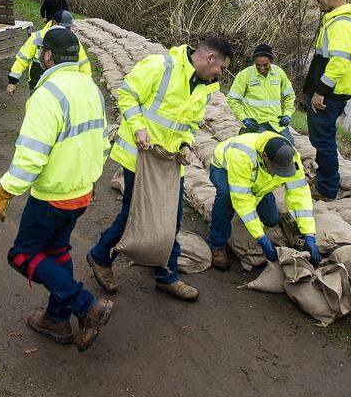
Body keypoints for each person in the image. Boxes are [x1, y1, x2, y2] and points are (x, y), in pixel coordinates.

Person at [0, 28, 113, 352]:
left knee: (22, 254)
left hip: (53, 197)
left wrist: (5, 192)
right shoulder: (91, 88)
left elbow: (30, 155)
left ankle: (85, 306)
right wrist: (91, 181)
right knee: (57, 252)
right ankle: (56, 319)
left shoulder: (47, 95)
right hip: (81, 193)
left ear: (47, 56)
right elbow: (101, 144)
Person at [87, 37, 233, 302]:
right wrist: (139, 127)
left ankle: (166, 274)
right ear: (210, 58)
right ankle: (100, 255)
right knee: (135, 213)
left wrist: (187, 143)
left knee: (171, 218)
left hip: (168, 162)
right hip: (140, 157)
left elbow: (193, 121)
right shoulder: (161, 66)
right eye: (221, 68)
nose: (220, 74)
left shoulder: (205, 87)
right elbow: (128, 93)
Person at [205, 130, 319, 271]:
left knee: (271, 219)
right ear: (265, 157)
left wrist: (309, 234)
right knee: (227, 196)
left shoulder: (290, 157)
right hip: (224, 168)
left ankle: (257, 199)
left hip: (260, 182)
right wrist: (261, 237)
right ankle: (217, 242)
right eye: (277, 169)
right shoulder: (242, 155)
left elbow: (300, 195)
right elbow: (242, 199)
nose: (280, 173)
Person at [302, 0, 351, 200]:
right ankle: (325, 179)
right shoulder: (337, 19)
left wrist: (320, 91)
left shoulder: (343, 24)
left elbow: (339, 62)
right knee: (323, 137)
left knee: (323, 140)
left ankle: (327, 188)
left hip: (330, 92)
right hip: (333, 89)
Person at [7, 10, 91, 93]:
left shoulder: (72, 40)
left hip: (64, 88)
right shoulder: (37, 37)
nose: (66, 30)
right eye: (64, 27)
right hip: (37, 86)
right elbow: (22, 59)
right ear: (54, 23)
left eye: (69, 27)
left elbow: (84, 63)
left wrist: (88, 84)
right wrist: (12, 81)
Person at [227, 44, 295, 144]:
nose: (262, 68)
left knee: (288, 145)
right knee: (264, 146)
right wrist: (244, 119)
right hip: (256, 124)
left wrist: (287, 114)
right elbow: (232, 99)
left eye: (265, 65)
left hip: (276, 123)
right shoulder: (245, 75)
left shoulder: (279, 73)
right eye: (258, 65)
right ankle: (246, 132)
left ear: (271, 61)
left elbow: (289, 95)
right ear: (254, 62)